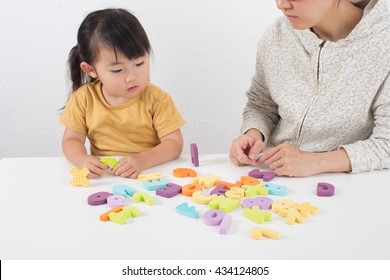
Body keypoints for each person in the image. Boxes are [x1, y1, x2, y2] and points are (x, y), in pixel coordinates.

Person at [230, 0, 390, 177]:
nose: (282, 4)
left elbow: (387, 144)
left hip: (342, 186)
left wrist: (315, 162)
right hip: (271, 177)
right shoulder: (278, 34)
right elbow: (261, 104)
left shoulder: (384, 43)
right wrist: (254, 134)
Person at [60, 8, 185, 179]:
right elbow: (71, 140)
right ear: (91, 69)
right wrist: (82, 160)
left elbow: (174, 144)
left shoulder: (157, 99)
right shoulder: (84, 98)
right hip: (105, 178)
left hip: (149, 175)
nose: (131, 77)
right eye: (118, 70)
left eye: (140, 63)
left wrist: (141, 161)